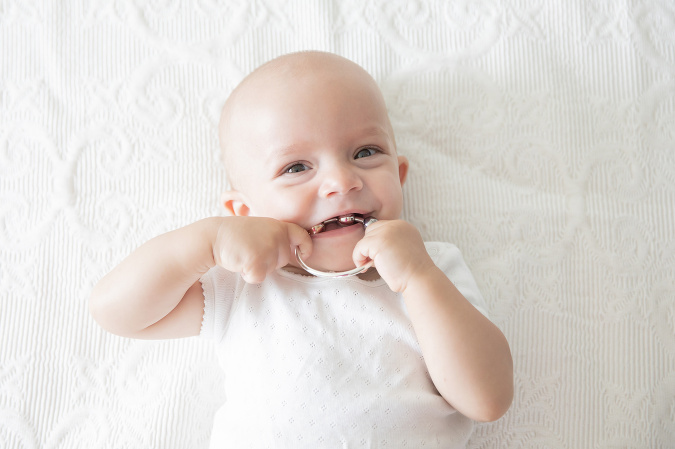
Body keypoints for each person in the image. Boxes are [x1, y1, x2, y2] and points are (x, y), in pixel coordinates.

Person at [90, 51, 513, 448]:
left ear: (399, 176)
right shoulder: (244, 284)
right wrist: (209, 241)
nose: (341, 181)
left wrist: (419, 277)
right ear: (245, 211)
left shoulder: (431, 270)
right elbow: (115, 311)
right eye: (296, 167)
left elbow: (487, 400)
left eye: (365, 152)